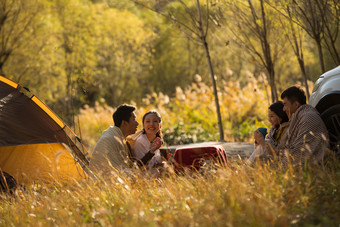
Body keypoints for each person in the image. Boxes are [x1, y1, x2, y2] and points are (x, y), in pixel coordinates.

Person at [254, 86, 329, 169]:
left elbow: (298, 153)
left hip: (307, 166)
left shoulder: (307, 117)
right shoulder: (300, 116)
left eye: (285, 104)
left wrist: (262, 142)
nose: (283, 109)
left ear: (296, 104)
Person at [89, 104, 139, 175]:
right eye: (134, 119)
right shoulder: (111, 139)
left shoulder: (118, 136)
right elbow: (118, 172)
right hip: (102, 181)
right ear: (124, 123)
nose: (137, 123)